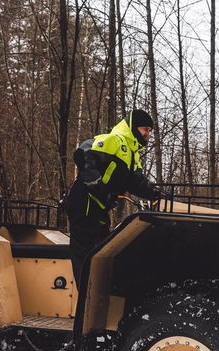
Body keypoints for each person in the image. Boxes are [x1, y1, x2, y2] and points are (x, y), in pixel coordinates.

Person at [64, 109, 161, 285]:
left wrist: (156, 193)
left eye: (150, 131)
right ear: (133, 127)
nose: (148, 134)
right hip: (84, 202)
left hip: (99, 208)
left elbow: (137, 182)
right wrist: (98, 186)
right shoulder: (115, 140)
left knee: (101, 254)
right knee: (85, 255)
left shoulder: (132, 154)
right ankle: (86, 303)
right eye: (145, 129)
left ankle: (95, 299)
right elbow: (82, 153)